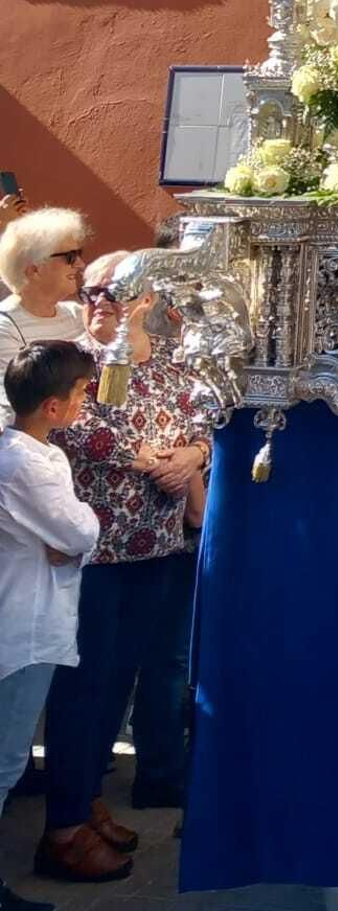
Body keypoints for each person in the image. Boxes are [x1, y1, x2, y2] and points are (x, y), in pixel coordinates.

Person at [36, 255, 211, 885]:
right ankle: (62, 826)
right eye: (90, 293)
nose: (99, 302)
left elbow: (203, 423)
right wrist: (147, 459)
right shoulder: (68, 359)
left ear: (144, 301)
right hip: (93, 556)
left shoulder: (170, 367)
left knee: (122, 683)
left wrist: (191, 454)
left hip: (156, 550)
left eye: (113, 292)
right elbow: (72, 427)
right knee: (82, 690)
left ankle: (85, 801)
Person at [0, 342, 103, 909]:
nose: (87, 401)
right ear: (52, 407)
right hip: (22, 628)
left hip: (37, 620)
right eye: (81, 393)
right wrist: (73, 542)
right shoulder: (21, 464)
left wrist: (72, 542)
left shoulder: (45, 455)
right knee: (6, 759)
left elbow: (75, 537)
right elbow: (83, 532)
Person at [0, 217, 88, 438]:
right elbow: (14, 407)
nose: (80, 264)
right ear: (34, 269)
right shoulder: (5, 326)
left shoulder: (77, 314)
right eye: (70, 257)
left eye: (80, 254)